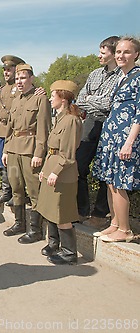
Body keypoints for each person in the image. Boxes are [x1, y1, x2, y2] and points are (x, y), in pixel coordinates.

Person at [93, 37, 140, 243]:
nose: (121, 56)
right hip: (111, 135)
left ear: (136, 55)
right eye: (119, 51)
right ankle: (115, 223)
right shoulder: (121, 77)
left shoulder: (138, 77)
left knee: (119, 183)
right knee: (110, 182)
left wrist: (129, 142)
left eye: (127, 52)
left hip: (125, 137)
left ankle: (125, 229)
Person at [1, 63, 51, 244]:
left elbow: (43, 129)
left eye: (23, 78)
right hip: (14, 148)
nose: (19, 82)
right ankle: (19, 223)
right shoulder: (16, 99)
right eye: (17, 79)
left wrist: (39, 153)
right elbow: (10, 127)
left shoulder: (40, 99)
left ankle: (35, 230)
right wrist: (6, 149)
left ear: (31, 78)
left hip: (30, 149)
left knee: (34, 190)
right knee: (16, 188)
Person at [75, 36, 121, 228]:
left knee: (106, 171)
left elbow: (109, 104)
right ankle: (81, 210)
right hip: (91, 122)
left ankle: (100, 214)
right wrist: (96, 100)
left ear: (113, 53)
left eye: (103, 52)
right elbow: (80, 99)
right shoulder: (94, 74)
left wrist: (92, 99)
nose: (99, 55)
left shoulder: (122, 75)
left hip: (111, 124)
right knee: (78, 166)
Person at [37, 80, 82, 265]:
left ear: (63, 98)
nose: (50, 98)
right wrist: (46, 171)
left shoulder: (71, 120)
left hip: (64, 175)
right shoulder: (61, 118)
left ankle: (69, 252)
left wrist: (55, 172)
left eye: (53, 95)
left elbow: (68, 154)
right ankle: (54, 244)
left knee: (62, 214)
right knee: (50, 211)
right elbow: (52, 150)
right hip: (53, 171)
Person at [0, 55, 26, 205]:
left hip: (15, 131)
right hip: (2, 131)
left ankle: (18, 194)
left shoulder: (20, 88)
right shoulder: (2, 90)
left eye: (9, 70)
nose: (6, 73)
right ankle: (7, 192)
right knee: (2, 162)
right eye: (4, 70)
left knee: (14, 164)